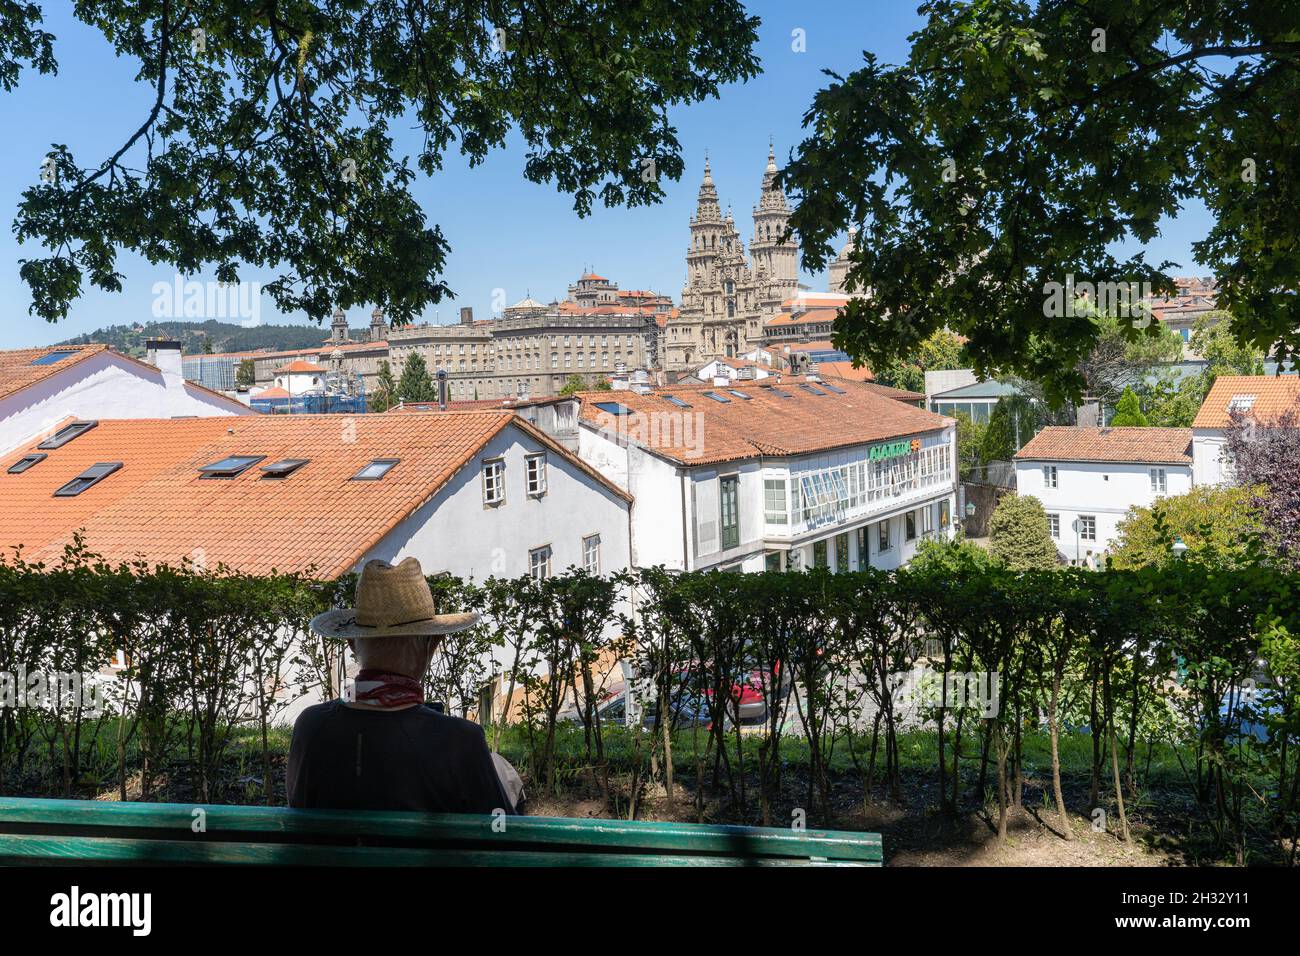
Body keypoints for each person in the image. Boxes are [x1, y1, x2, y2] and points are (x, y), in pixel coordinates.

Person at [289, 557, 517, 814]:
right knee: (505, 774)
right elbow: (500, 837)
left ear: (353, 644)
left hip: (330, 856)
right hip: (430, 856)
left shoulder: (311, 726)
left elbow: (298, 808)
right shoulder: (461, 741)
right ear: (432, 645)